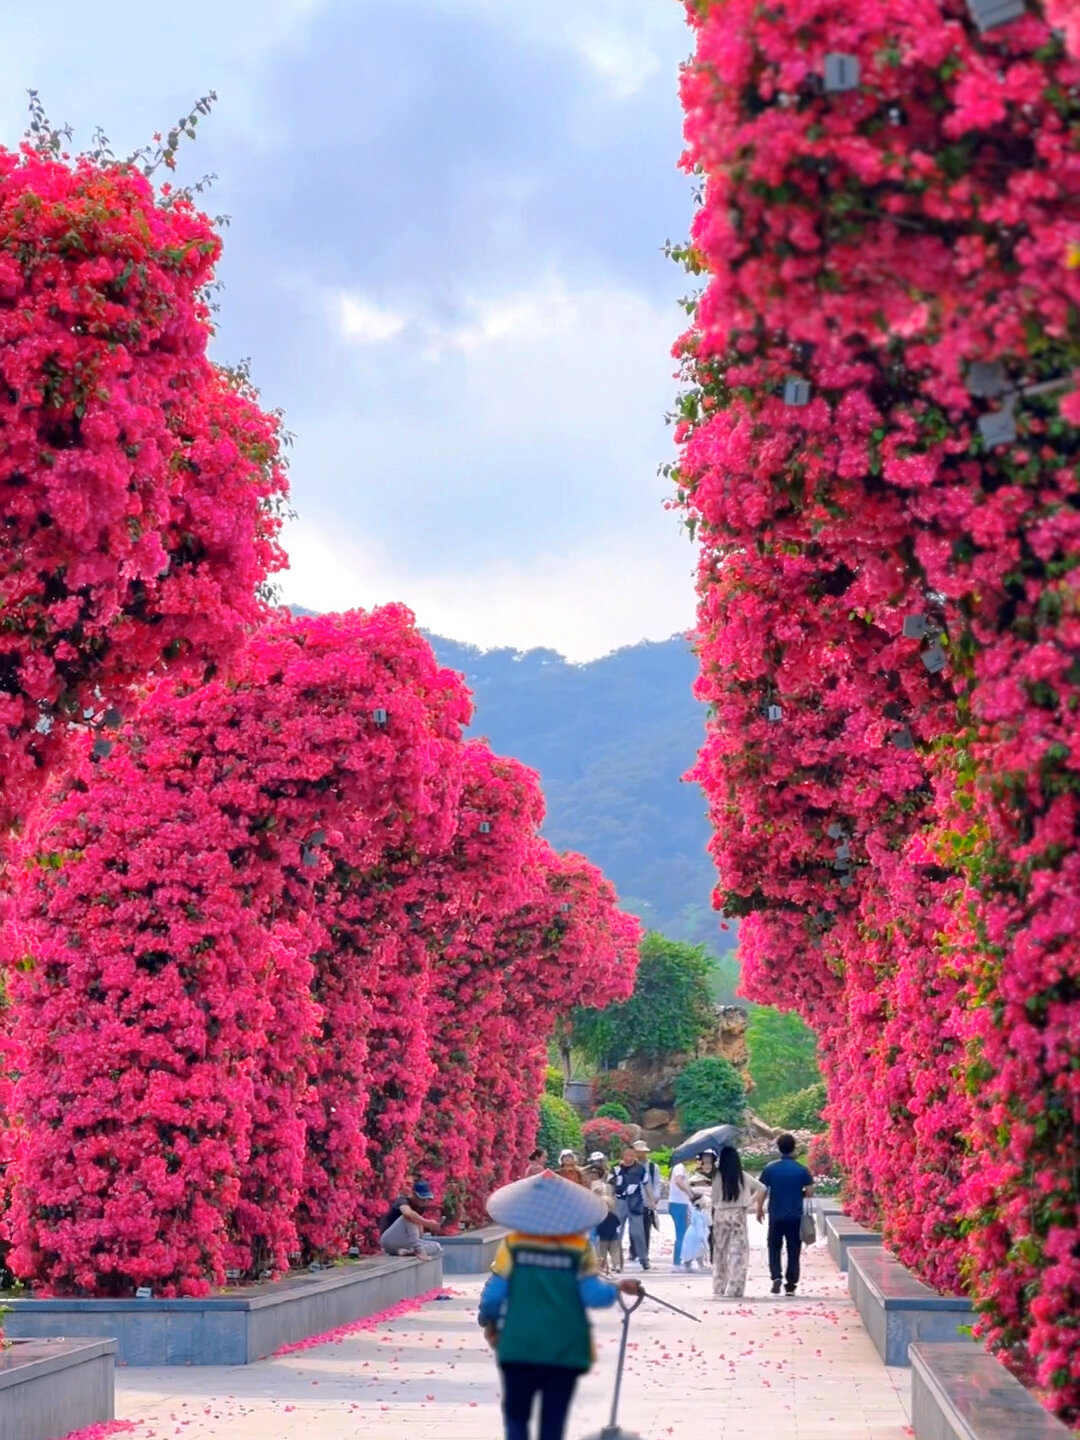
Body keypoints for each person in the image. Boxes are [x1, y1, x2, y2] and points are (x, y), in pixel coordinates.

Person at [479, 1170, 643, 1440]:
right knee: (553, 1422)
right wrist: (617, 1289)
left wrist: (490, 1323)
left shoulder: (514, 1244)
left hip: (519, 1345)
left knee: (516, 1418)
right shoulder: (578, 1248)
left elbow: (495, 1296)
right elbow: (593, 1296)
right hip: (565, 1349)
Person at [757, 1133, 814, 1295]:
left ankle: (776, 1276)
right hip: (795, 1216)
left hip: (776, 1215)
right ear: (793, 1148)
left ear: (779, 1148)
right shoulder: (801, 1170)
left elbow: (762, 1190)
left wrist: (760, 1208)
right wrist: (799, 1193)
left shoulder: (770, 1168)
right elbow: (809, 1192)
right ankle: (791, 1285)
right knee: (793, 1249)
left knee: (774, 1247)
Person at [711, 1145, 765, 1298]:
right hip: (738, 1214)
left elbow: (714, 1198)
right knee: (738, 1252)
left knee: (721, 1252)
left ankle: (719, 1286)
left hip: (721, 1214)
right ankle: (734, 1288)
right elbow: (762, 1188)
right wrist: (748, 1202)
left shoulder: (717, 1176)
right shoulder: (742, 1176)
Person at [379, 1180, 442, 1257]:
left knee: (437, 1246)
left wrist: (432, 1228)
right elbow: (407, 1214)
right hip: (389, 1239)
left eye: (426, 1199)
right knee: (408, 1217)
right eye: (422, 1199)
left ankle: (410, 1251)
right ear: (414, 1194)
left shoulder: (419, 1208)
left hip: (403, 1242)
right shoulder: (402, 1200)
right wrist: (427, 1223)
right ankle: (417, 1249)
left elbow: (419, 1234)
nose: (424, 1202)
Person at [611, 1144, 650, 1270]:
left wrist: (652, 1201)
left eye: (632, 1155)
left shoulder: (640, 1169)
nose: (629, 1158)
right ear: (623, 1155)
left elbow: (646, 1184)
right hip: (619, 1201)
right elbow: (610, 1186)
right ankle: (617, 1262)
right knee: (617, 1232)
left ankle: (644, 1259)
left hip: (635, 1202)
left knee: (637, 1232)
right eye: (627, 1155)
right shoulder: (616, 1169)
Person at [633, 1140, 662, 1259]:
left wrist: (655, 1198)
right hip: (633, 1200)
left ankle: (644, 1252)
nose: (641, 1155)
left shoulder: (652, 1167)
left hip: (647, 1200)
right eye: (638, 1152)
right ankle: (633, 1251)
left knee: (646, 1227)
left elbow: (656, 1183)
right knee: (634, 1228)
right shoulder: (630, 1165)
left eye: (643, 1152)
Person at [592, 1178, 622, 1275]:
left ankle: (603, 1266)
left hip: (602, 1238)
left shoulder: (598, 1216)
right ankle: (616, 1265)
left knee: (602, 1253)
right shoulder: (613, 1216)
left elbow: (596, 1227)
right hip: (613, 1237)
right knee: (614, 1252)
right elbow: (618, 1224)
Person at [668, 1156, 693, 1269]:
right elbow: (678, 1181)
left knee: (684, 1233)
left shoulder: (679, 1167)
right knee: (682, 1234)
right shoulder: (679, 1167)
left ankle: (684, 1261)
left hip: (679, 1203)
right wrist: (689, 1193)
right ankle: (678, 1262)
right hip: (679, 1204)